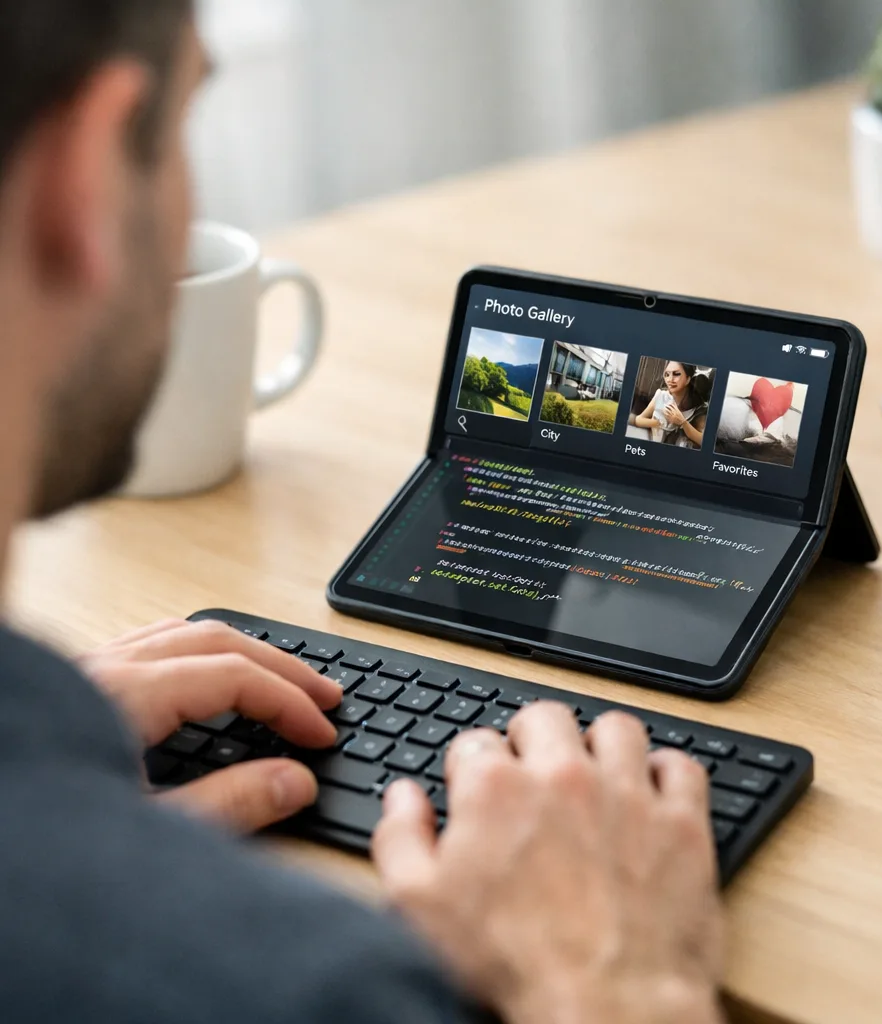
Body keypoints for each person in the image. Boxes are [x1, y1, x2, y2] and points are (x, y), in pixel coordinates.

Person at [0, 3, 724, 1023]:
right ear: (84, 174)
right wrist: (610, 980)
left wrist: (40, 749)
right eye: (183, 127)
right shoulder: (313, 987)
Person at [634, 362, 712, 448]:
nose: (670, 379)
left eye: (676, 374)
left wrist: (682, 422)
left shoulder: (699, 408)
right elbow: (638, 420)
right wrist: (658, 423)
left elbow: (704, 441)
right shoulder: (661, 395)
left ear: (688, 379)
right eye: (667, 374)